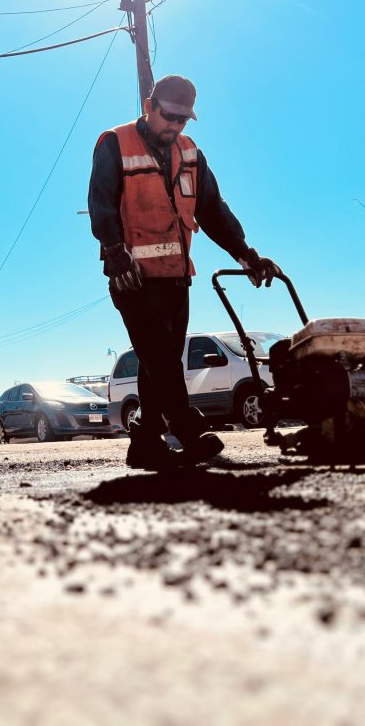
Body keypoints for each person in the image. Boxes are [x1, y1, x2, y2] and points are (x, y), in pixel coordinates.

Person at [88, 74, 282, 471]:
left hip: (176, 274)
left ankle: (144, 443)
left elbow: (213, 211)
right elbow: (100, 202)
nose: (174, 126)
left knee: (156, 363)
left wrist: (246, 253)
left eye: (182, 120)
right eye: (168, 116)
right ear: (149, 106)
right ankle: (187, 429)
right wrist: (114, 250)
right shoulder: (115, 142)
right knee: (160, 357)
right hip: (133, 277)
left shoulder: (191, 154)